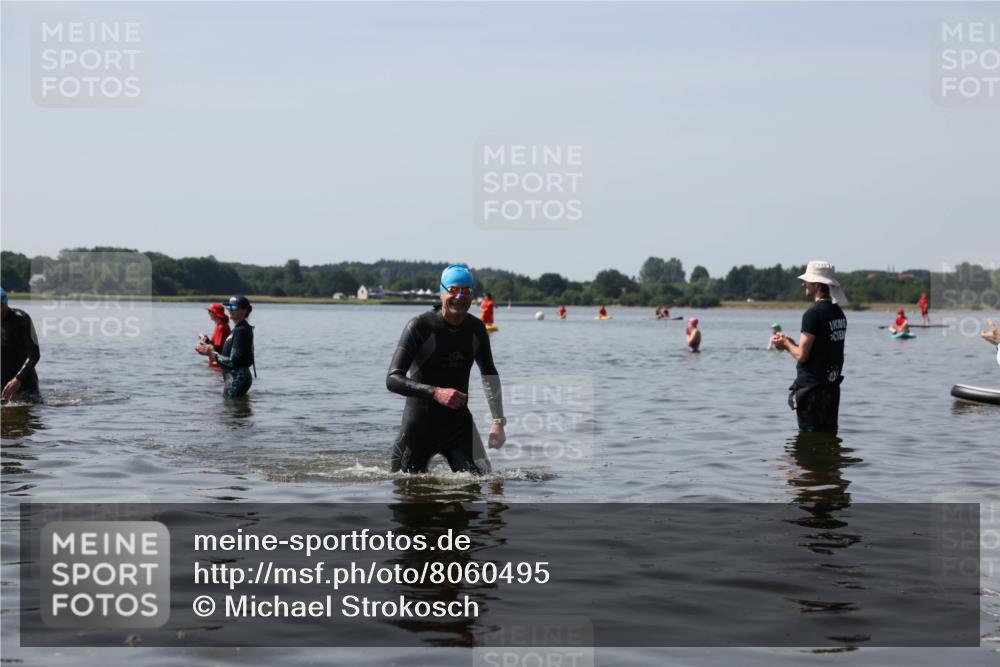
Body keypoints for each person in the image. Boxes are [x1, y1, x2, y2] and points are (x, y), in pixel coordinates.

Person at [386, 264, 506, 474]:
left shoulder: (476, 329)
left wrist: (498, 422)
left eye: (466, 291)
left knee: (485, 482)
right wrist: (435, 392)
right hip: (419, 427)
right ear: (442, 292)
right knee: (407, 493)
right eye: (454, 290)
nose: (459, 297)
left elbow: (489, 375)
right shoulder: (419, 327)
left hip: (459, 426)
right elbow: (393, 379)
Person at [770, 260, 847, 433]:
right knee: (828, 437)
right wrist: (792, 344)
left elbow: (802, 356)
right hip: (831, 389)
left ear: (817, 284)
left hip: (812, 391)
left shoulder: (813, 314)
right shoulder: (838, 313)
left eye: (807, 280)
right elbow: (820, 350)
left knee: (808, 442)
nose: (803, 283)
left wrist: (785, 344)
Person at [196, 295, 255, 398]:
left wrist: (211, 353)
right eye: (229, 307)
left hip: (237, 379)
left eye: (234, 307)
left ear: (244, 310)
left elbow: (233, 362)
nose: (230, 310)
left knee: (232, 409)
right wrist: (209, 352)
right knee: (232, 410)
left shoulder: (241, 330)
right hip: (236, 378)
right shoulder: (239, 328)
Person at [1, 288, 42, 403]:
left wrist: (18, 379)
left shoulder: (21, 319)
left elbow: (34, 354)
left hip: (25, 384)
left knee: (25, 416)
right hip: (2, 384)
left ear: (4, 304)